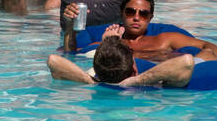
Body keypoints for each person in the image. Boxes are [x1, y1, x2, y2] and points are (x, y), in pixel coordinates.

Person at [113, 0, 217, 66]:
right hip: (166, 75)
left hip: (190, 70)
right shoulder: (113, 40)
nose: (137, 17)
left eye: (144, 14)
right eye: (131, 12)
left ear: (151, 17)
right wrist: (112, 42)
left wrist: (207, 54)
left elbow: (208, 45)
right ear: (122, 13)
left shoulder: (164, 39)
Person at [47, 38, 196, 89]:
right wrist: (138, 80)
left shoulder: (96, 83)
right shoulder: (148, 84)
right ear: (133, 68)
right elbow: (187, 62)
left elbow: (53, 60)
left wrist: (91, 81)